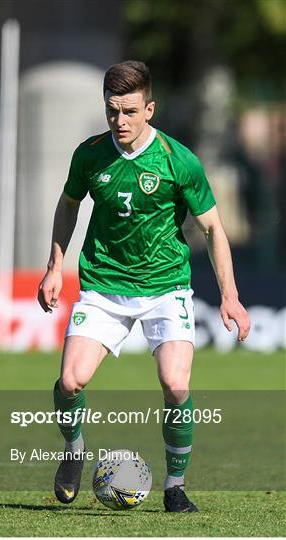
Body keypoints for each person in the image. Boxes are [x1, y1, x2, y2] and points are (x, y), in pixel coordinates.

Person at [38, 60, 251, 512]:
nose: (120, 122)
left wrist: (230, 296)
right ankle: (74, 450)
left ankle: (175, 487)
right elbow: (68, 205)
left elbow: (213, 229)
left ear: (149, 109)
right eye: (112, 111)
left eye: (130, 111)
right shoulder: (91, 154)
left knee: (176, 386)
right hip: (103, 284)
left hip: (165, 287)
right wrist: (55, 266)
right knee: (71, 380)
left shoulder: (179, 161)